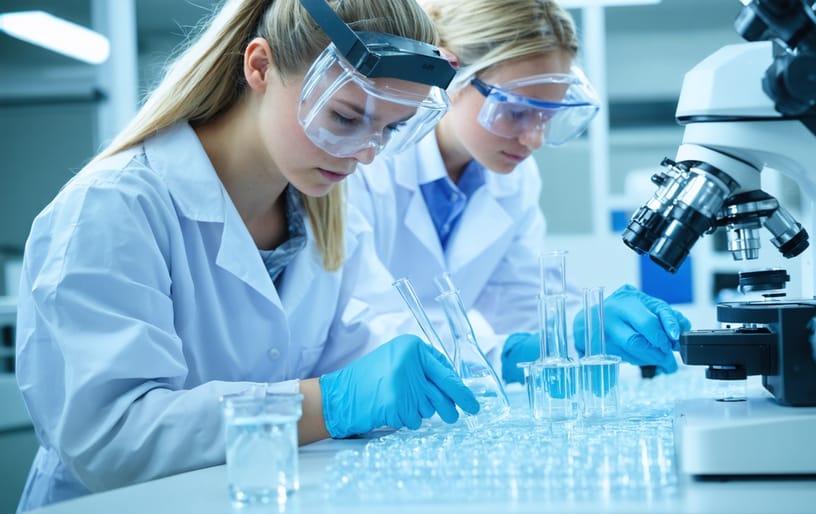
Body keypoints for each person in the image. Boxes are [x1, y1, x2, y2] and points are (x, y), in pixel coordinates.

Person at [14, 0, 482, 510]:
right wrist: (331, 402)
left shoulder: (326, 213)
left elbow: (362, 346)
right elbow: (110, 440)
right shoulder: (114, 207)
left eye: (389, 130)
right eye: (345, 117)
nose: (366, 153)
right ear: (259, 66)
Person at [346, 0, 691, 384]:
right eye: (515, 111)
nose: (534, 139)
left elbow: (517, 302)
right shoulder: (365, 163)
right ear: (448, 74)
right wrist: (506, 353)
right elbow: (363, 320)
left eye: (548, 115)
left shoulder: (513, 180)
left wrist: (588, 322)